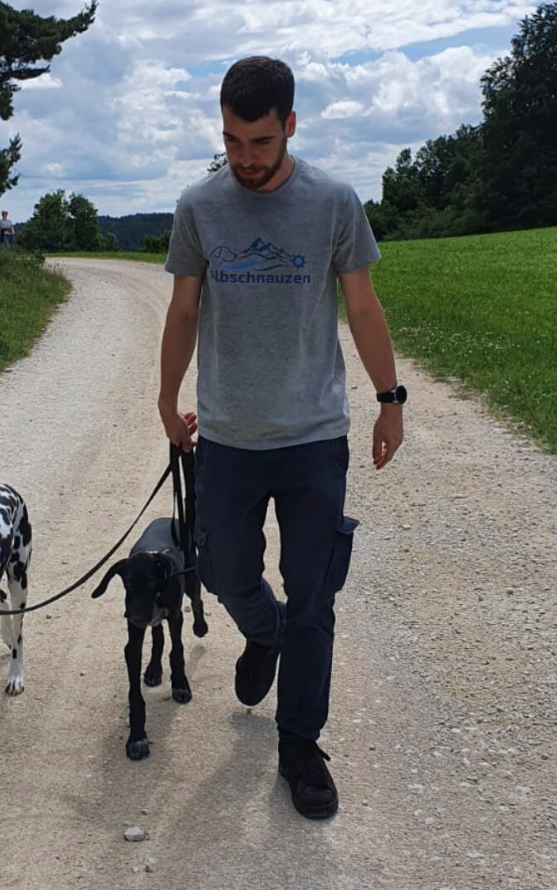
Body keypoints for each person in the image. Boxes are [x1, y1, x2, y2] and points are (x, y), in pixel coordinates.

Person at [158, 56, 405, 820]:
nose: (245, 158)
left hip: (312, 438)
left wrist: (389, 399)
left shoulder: (333, 202)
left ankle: (299, 745)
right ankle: (261, 633)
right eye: (232, 141)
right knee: (222, 572)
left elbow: (362, 306)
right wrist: (166, 401)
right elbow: (183, 312)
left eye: (260, 141)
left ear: (291, 125)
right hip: (228, 437)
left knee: (314, 597)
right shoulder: (200, 206)